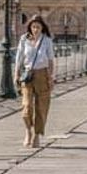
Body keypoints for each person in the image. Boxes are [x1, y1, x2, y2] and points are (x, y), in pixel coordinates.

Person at [13, 15, 56, 148]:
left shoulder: (47, 40)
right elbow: (19, 58)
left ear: (42, 28)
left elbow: (50, 60)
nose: (35, 29)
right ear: (30, 27)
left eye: (38, 27)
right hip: (27, 75)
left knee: (41, 107)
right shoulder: (24, 39)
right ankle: (28, 131)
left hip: (42, 74)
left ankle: (37, 135)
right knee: (26, 106)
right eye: (33, 27)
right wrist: (16, 74)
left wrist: (51, 77)